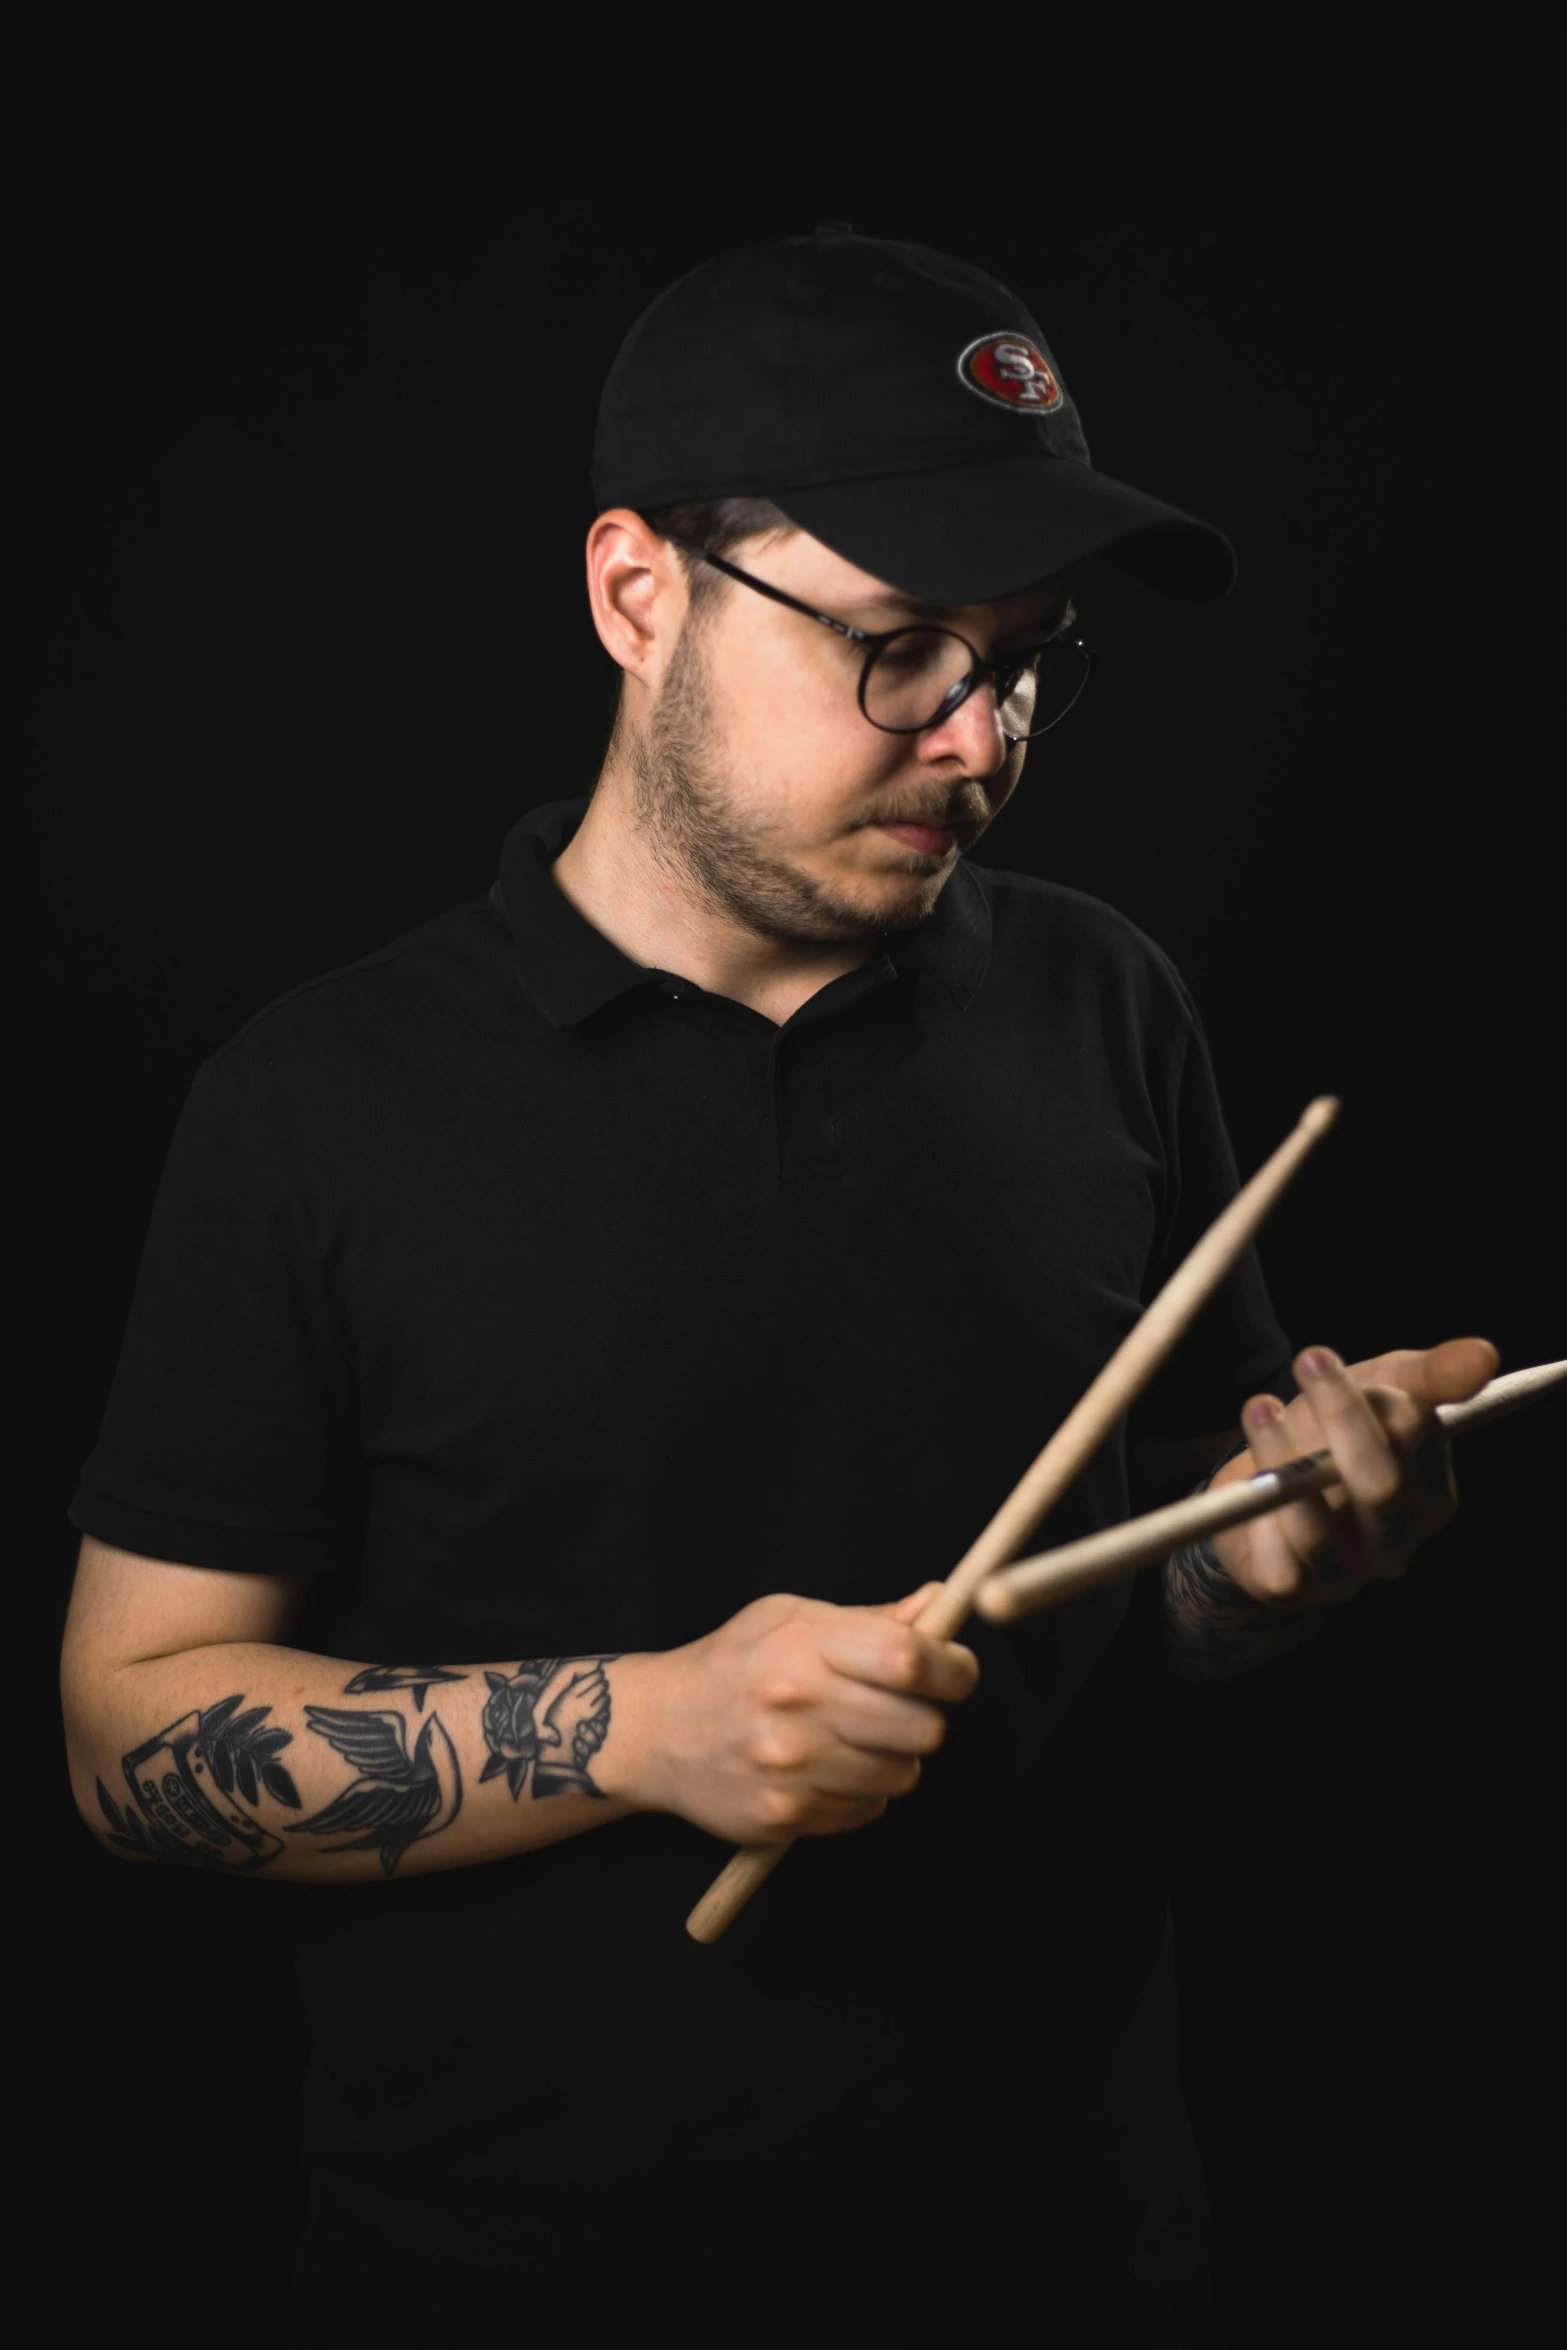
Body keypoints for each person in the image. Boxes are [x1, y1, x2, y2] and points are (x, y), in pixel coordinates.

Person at [60, 224, 1494, 2348]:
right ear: (640, 594)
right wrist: (655, 1725)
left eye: (1029, 658)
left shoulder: (1107, 1003)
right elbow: (126, 1727)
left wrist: (1278, 1556)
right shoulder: (317, 1100)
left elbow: (1145, 1591)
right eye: (902, 646)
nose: (981, 739)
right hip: (499, 2284)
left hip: (1076, 2258)